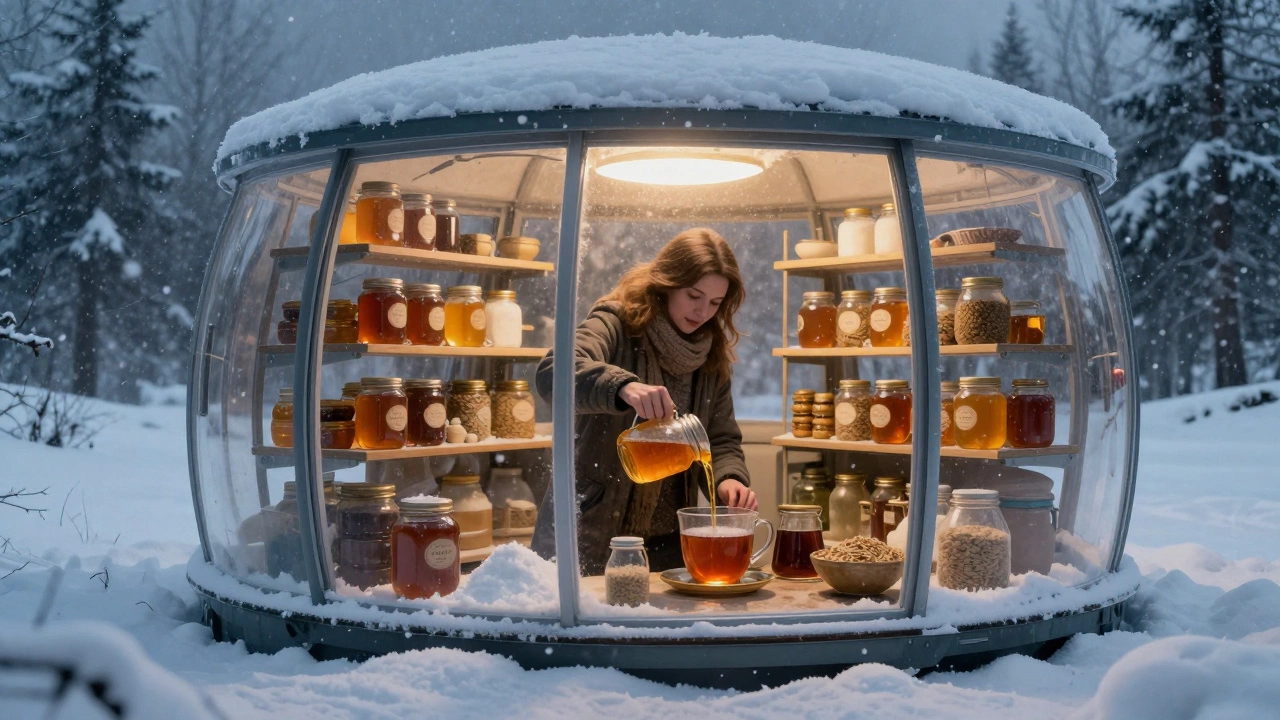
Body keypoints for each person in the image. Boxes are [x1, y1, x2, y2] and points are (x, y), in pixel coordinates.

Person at [531, 228, 756, 574]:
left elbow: (719, 438)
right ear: (666, 283)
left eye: (715, 303)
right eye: (694, 295)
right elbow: (554, 373)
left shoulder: (710, 356)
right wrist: (623, 386)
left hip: (669, 545)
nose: (702, 312)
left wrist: (729, 480)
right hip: (592, 531)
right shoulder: (615, 323)